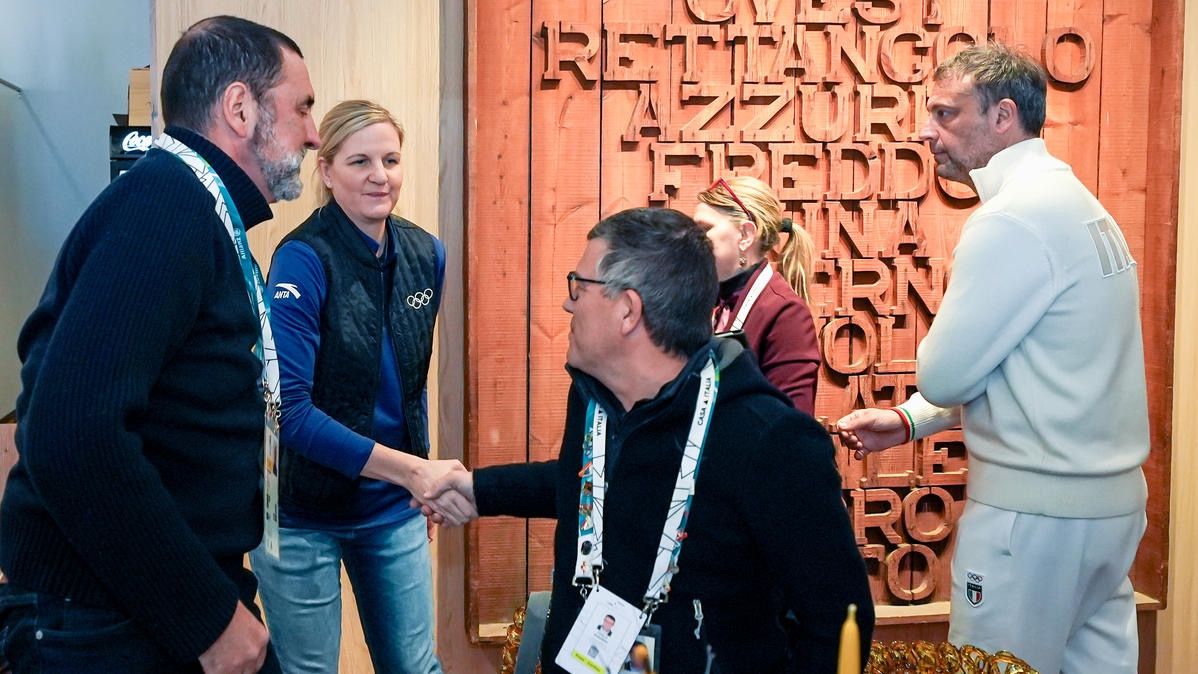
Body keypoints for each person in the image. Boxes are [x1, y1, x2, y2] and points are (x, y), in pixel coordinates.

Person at [0, 15, 320, 674]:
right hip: (108, 617)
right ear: (241, 108)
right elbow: (70, 431)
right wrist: (204, 615)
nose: (313, 133)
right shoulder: (165, 208)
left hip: (145, 598)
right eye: (302, 108)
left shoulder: (189, 209)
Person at [424, 207, 874, 673]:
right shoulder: (594, 400)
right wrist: (478, 489)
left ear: (628, 311)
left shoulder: (770, 441)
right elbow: (594, 484)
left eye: (579, 287)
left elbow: (840, 621)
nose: (567, 305)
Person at [836, 43, 1148, 674]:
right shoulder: (1080, 204)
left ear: (1003, 116)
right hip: (1108, 512)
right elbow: (1042, 372)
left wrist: (924, 394)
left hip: (1031, 521)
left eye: (946, 114)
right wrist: (908, 421)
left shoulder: (1011, 219)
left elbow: (943, 375)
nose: (926, 132)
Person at [248, 100, 458, 673]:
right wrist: (412, 470)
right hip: (300, 513)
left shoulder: (426, 254)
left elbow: (410, 383)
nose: (379, 176)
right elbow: (288, 412)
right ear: (327, 169)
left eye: (390, 159)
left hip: (390, 506)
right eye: (359, 161)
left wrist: (416, 476)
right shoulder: (302, 259)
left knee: (415, 667)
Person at [695, 177, 820, 414]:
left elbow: (792, 425)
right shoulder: (711, 301)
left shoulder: (786, 313)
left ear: (745, 235)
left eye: (704, 230)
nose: (692, 241)